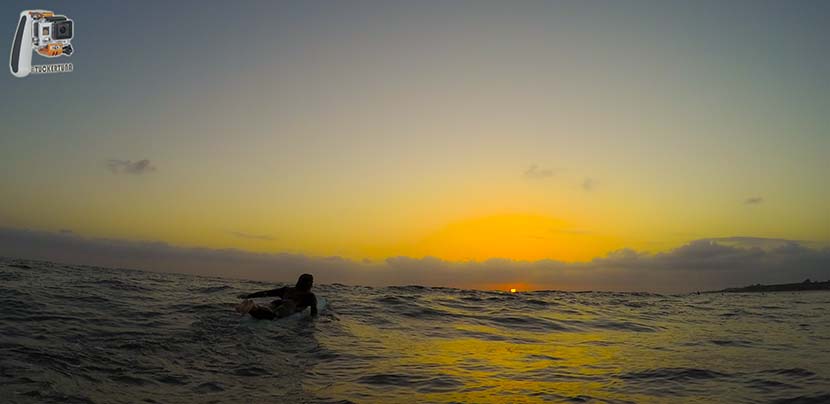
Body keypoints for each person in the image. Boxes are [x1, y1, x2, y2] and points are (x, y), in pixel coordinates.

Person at [236, 273, 318, 319]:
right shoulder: (310, 296)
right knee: (274, 316)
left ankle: (254, 307)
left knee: (269, 307)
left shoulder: (286, 289)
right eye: (311, 282)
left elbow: (266, 293)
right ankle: (252, 308)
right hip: (290, 305)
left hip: (277, 302)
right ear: (309, 284)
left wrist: (249, 296)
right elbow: (314, 314)